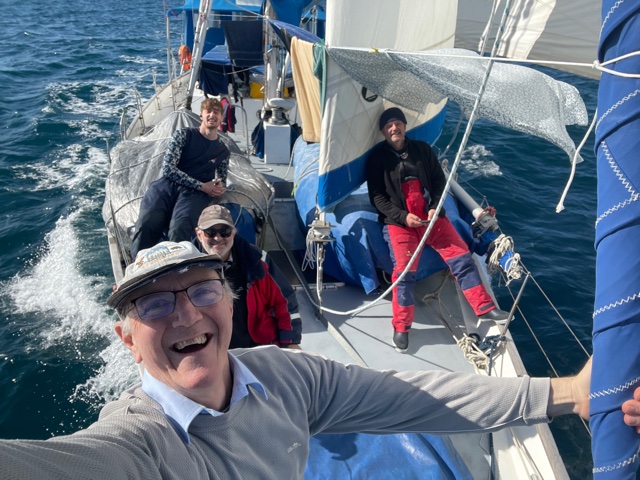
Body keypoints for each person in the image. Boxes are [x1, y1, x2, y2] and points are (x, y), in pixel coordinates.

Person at [0, 241, 601, 479]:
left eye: (203, 291)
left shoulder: (286, 377)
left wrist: (570, 394)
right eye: (155, 305)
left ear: (230, 302)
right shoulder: (141, 445)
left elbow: (418, 398)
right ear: (127, 339)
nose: (185, 315)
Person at [366, 107, 509, 352]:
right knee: (404, 273)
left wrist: (434, 207)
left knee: (462, 257)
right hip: (400, 224)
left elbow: (439, 183)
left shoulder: (422, 150)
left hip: (431, 218)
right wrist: (403, 217)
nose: (394, 128)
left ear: (404, 126)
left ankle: (484, 307)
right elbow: (377, 198)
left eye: (397, 123)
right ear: (383, 131)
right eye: (388, 126)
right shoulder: (377, 159)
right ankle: (402, 327)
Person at [129, 97, 230, 260]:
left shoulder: (223, 151)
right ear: (201, 115)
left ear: (221, 117)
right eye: (208, 112)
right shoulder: (184, 135)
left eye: (216, 112)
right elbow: (168, 169)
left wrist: (219, 186)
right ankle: (138, 262)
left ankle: (177, 266)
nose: (212, 115)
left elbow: (222, 177)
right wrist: (203, 186)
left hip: (194, 195)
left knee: (180, 227)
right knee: (147, 221)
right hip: (168, 185)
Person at [194, 204, 301, 349]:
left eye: (225, 231)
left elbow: (284, 300)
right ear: (199, 234)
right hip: (209, 349)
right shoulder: (186, 269)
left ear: (233, 232)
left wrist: (291, 342)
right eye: (210, 232)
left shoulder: (257, 259)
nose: (218, 238)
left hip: (256, 347)